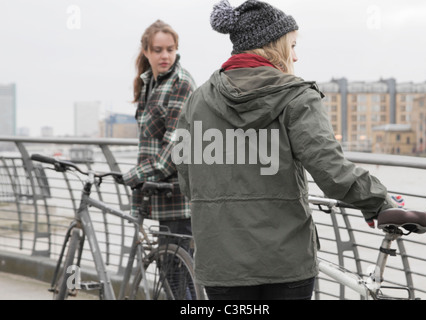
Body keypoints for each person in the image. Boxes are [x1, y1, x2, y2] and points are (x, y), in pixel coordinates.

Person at [173, 0, 395, 300]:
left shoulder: (197, 101)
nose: (295, 55)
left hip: (220, 261)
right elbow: (330, 168)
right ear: (273, 46)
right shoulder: (296, 96)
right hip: (283, 261)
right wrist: (377, 202)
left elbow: (187, 177)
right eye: (291, 45)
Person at [122, 20, 196, 242]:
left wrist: (132, 176)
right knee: (165, 272)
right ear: (146, 52)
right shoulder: (148, 84)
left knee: (179, 274)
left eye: (170, 50)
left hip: (178, 198)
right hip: (156, 194)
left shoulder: (180, 84)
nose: (165, 55)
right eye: (158, 50)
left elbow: (173, 150)